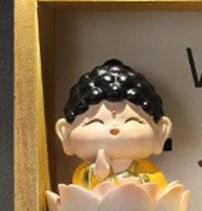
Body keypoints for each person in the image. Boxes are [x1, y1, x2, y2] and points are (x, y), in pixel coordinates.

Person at [55, 59, 173, 189]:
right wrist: (98, 173)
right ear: (64, 132)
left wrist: (137, 182)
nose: (114, 128)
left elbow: (156, 186)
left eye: (131, 120)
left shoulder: (148, 170)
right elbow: (81, 187)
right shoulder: (84, 172)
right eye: (96, 121)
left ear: (161, 132)